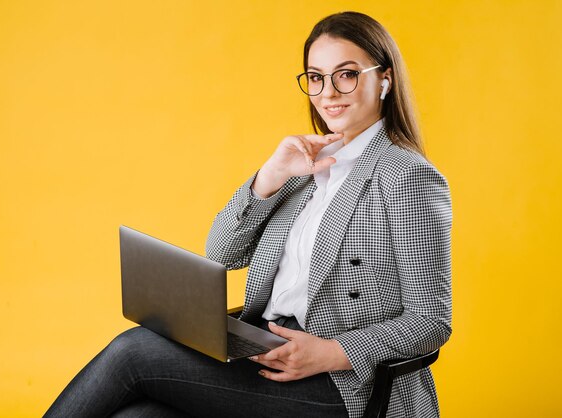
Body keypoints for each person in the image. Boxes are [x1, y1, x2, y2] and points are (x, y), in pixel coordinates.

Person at [45, 11, 452, 418]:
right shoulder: (304, 167)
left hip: (341, 383)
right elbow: (221, 253)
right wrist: (270, 176)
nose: (328, 92)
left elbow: (431, 318)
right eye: (315, 77)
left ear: (384, 79)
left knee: (132, 351)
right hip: (262, 352)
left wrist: (331, 353)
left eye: (346, 74)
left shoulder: (406, 177)